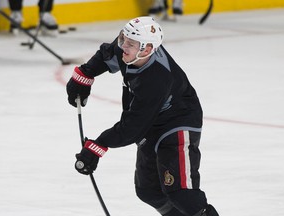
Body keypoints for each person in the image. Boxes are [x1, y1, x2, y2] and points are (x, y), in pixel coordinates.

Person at [66, 16, 219, 216]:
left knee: (182, 194)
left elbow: (131, 128)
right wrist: (84, 76)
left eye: (129, 43)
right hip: (151, 121)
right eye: (123, 39)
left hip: (178, 122)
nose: (122, 46)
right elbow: (107, 54)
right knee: (149, 191)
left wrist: (98, 146)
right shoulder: (130, 48)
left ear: (147, 50)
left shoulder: (156, 79)